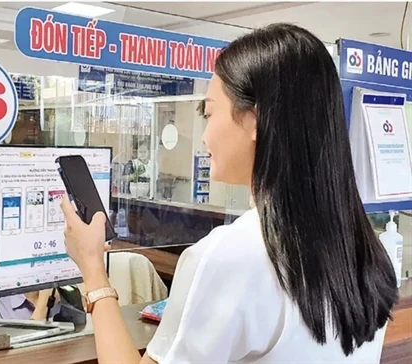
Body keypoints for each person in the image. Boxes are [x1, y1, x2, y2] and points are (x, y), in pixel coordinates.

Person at [60, 23, 398, 363]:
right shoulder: (368, 250)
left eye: (209, 112)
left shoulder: (231, 254)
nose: (204, 137)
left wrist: (92, 269)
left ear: (254, 120)